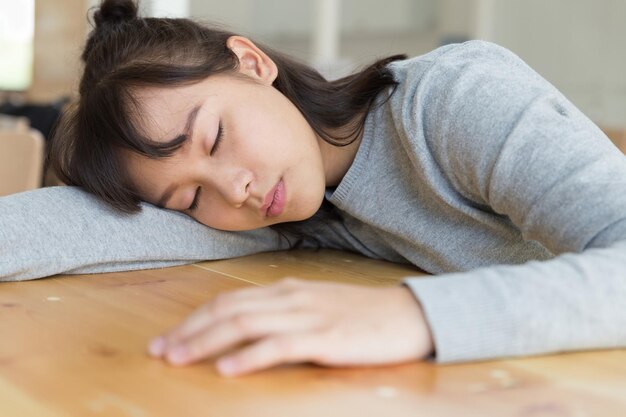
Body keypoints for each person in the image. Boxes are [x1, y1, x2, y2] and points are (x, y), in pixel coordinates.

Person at [2, 0, 626, 378]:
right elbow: (87, 223)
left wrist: (411, 315)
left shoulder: (453, 101)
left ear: (251, 64)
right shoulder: (298, 211)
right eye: (188, 200)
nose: (233, 190)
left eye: (215, 137)